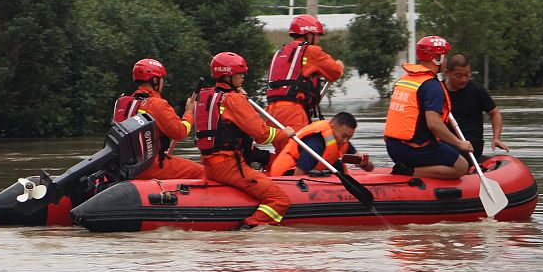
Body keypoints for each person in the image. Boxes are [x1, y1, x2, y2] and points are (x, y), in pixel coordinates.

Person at [195, 51, 295, 229]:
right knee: (280, 199)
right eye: (239, 74)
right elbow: (262, 134)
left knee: (271, 161)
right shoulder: (234, 99)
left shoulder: (207, 97)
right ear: (227, 76)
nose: (242, 77)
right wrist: (284, 133)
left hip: (209, 166)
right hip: (229, 167)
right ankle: (249, 227)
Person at [383, 35, 473, 179]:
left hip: (393, 147)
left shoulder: (404, 80)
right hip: (414, 148)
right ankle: (408, 172)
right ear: (437, 58)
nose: (446, 60)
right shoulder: (432, 86)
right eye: (444, 55)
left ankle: (410, 167)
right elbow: (434, 124)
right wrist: (459, 143)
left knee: (442, 147)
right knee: (461, 166)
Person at [112, 58, 203, 181]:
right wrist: (189, 112)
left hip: (123, 165)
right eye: (161, 79)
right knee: (202, 171)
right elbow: (180, 132)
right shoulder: (156, 104)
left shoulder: (122, 102)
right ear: (155, 80)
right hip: (148, 166)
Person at [265, 14, 345, 130]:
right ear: (309, 35)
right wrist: (339, 65)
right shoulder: (311, 51)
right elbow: (335, 72)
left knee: (284, 148)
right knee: (297, 147)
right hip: (293, 113)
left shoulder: (280, 52)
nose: (319, 40)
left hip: (271, 113)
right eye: (318, 36)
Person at [441, 53, 508, 161]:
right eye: (459, 76)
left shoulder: (477, 90)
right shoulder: (438, 91)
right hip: (446, 143)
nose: (463, 79)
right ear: (447, 73)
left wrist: (496, 138)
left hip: (472, 145)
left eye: (467, 75)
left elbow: (495, 114)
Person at [268, 112, 376, 176]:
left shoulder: (342, 141)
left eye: (349, 137)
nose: (345, 141)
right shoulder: (316, 144)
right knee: (336, 166)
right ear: (332, 127)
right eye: (344, 136)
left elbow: (369, 169)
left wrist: (364, 163)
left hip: (306, 169)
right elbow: (298, 175)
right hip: (285, 174)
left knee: (338, 165)